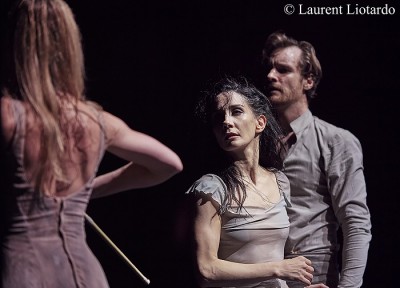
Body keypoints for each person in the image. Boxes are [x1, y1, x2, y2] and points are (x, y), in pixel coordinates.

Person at [0, 0, 183, 287]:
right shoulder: (97, 121)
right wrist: (85, 192)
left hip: (24, 271)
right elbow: (169, 164)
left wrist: (85, 192)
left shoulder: (9, 115)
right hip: (87, 275)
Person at [185, 76, 328, 288]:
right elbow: (206, 268)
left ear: (260, 122)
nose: (226, 121)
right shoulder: (211, 188)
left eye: (236, 111)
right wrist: (278, 267)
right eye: (218, 117)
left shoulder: (279, 181)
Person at [262, 31, 372, 288]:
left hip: (313, 279)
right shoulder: (257, 144)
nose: (270, 76)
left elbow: (355, 223)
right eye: (269, 68)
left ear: (308, 81)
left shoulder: (336, 141)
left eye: (283, 70)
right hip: (264, 277)